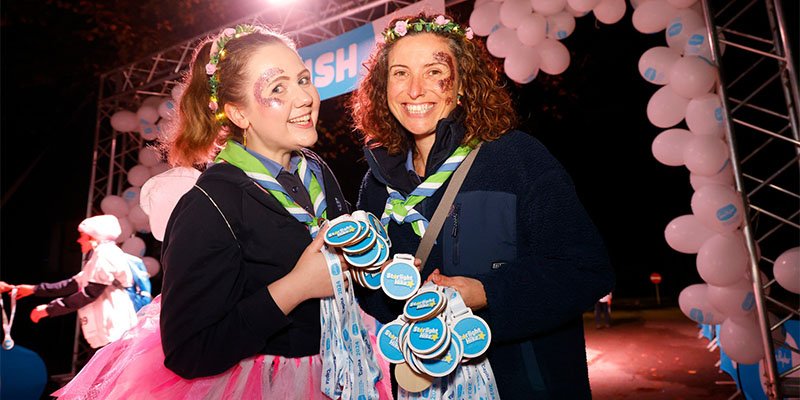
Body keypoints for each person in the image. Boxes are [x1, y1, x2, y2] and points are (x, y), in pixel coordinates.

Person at [51, 24, 391, 399]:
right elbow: (189, 350)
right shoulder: (208, 204)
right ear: (239, 114)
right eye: (278, 88)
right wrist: (295, 288)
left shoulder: (315, 169)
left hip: (344, 367)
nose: (305, 97)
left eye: (303, 79)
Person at [349, 13, 615, 399]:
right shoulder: (376, 183)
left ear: (461, 86)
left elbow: (587, 270)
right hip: (423, 388)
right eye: (401, 73)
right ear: (383, 87)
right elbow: (371, 291)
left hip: (523, 385)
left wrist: (485, 293)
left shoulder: (515, 158)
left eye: (434, 71)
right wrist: (386, 288)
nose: (415, 89)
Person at [1, 215, 138, 349]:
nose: (79, 240)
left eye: (82, 235)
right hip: (109, 331)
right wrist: (34, 289)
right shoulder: (98, 257)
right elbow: (72, 284)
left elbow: (89, 294)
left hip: (115, 330)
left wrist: (49, 310)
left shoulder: (106, 255)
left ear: (93, 236)